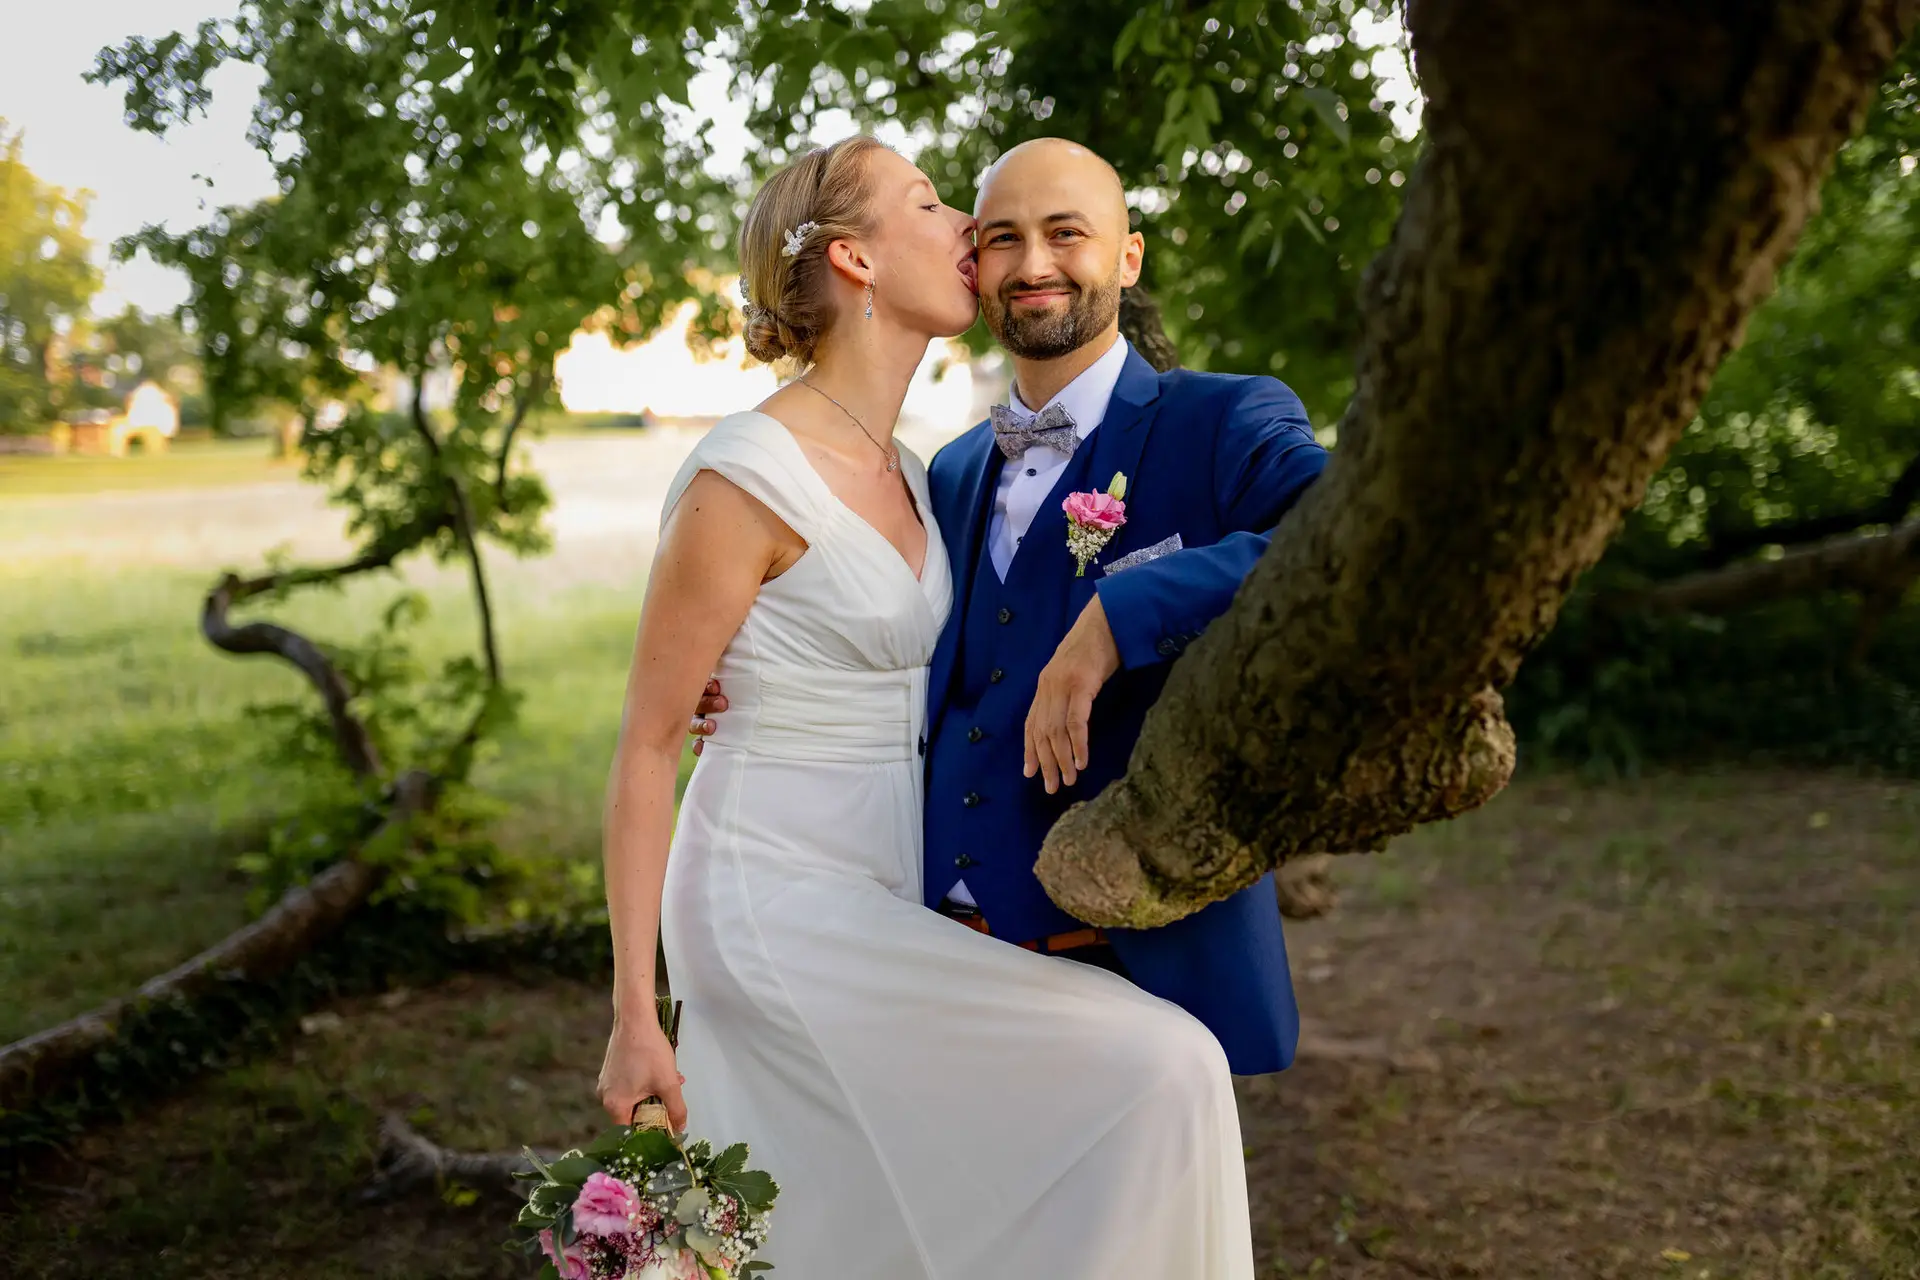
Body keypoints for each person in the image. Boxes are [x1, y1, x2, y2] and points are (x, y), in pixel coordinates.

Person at [597, 135, 1258, 1280]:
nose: (969, 226)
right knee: (1161, 1066)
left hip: (890, 879)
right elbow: (649, 740)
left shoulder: (925, 472)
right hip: (775, 889)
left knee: (862, 1219)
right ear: (853, 257)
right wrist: (633, 1009)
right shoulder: (744, 470)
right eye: (933, 201)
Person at [693, 137, 1328, 1077]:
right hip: (933, 945)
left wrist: (1121, 613)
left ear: (1128, 256)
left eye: (1065, 234)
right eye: (1002, 239)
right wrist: (743, 662)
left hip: (1135, 954)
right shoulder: (944, 471)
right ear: (974, 266)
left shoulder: (1226, 421)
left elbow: (1338, 543)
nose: (1033, 266)